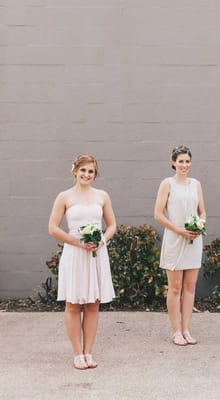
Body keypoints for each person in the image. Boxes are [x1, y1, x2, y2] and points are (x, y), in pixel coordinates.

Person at [48, 154, 116, 370]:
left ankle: (89, 352)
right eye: (83, 170)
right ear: (75, 171)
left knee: (93, 304)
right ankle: (77, 353)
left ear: (95, 175)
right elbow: (53, 228)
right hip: (75, 254)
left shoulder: (102, 196)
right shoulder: (64, 196)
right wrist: (77, 242)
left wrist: (102, 240)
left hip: (96, 254)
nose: (87, 174)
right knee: (73, 304)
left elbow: (113, 225)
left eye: (91, 171)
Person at [154, 145, 206, 346]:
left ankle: (186, 329)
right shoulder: (167, 184)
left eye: (187, 161)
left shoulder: (196, 184)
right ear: (173, 162)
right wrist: (179, 230)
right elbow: (158, 214)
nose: (184, 165)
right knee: (175, 288)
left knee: (190, 287)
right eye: (181, 161)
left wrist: (198, 225)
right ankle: (176, 331)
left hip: (193, 239)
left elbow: (202, 211)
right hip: (175, 239)